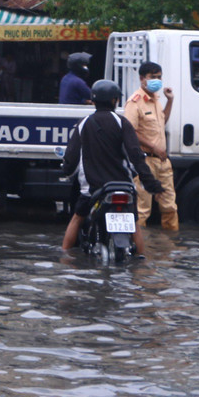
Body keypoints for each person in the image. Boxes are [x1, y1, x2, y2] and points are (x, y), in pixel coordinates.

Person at [61, 79, 164, 254]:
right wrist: (152, 184)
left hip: (92, 189)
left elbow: (71, 159)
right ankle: (141, 265)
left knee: (77, 218)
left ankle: (65, 259)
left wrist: (65, 171)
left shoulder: (83, 124)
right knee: (134, 224)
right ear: (115, 100)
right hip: (123, 187)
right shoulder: (122, 123)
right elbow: (136, 156)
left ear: (93, 101)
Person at [122, 60, 178, 232]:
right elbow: (129, 131)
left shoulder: (156, 100)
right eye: (153, 77)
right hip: (145, 162)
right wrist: (153, 148)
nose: (157, 80)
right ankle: (141, 249)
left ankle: (169, 248)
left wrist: (170, 101)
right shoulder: (135, 102)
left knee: (170, 206)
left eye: (159, 77)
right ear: (142, 79)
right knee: (142, 210)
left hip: (162, 161)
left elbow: (162, 121)